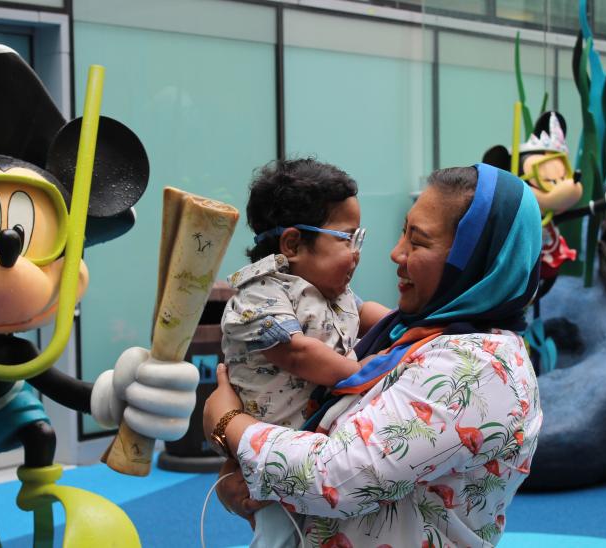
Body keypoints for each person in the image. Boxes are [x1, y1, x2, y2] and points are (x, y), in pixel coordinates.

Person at [205, 163, 543, 547]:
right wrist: (242, 474)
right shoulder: (413, 334)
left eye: (418, 241)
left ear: (476, 259)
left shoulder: (476, 367)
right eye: (403, 233)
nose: (396, 253)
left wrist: (227, 422)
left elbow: (334, 477)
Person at [219, 158, 388, 546]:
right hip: (272, 448)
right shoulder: (261, 293)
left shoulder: (333, 294)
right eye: (347, 239)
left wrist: (404, 323)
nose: (356, 253)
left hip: (314, 444)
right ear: (293, 243)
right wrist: (360, 371)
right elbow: (296, 352)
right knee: (279, 532)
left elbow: (365, 314)